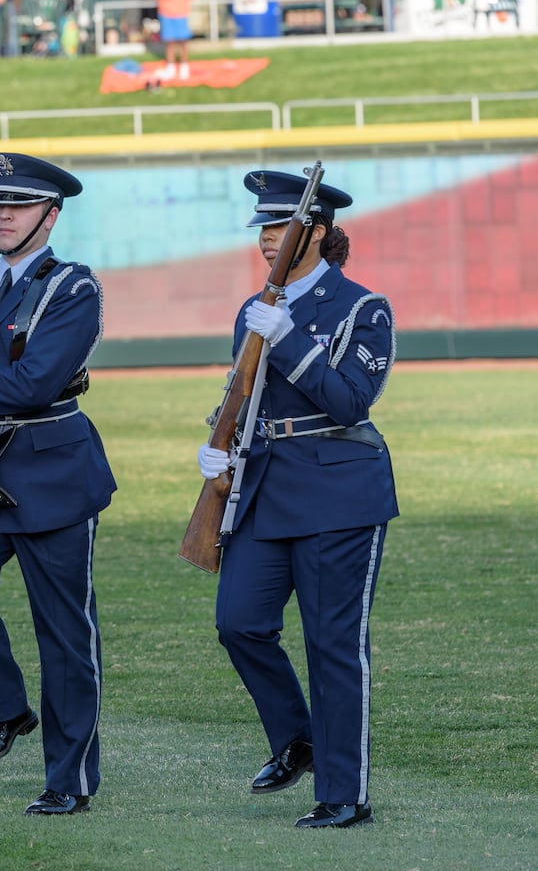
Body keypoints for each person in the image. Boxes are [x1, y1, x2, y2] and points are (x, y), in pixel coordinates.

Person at [197, 170, 397, 830]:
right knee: (239, 622)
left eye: (280, 226)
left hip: (340, 488)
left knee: (333, 643)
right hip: (265, 485)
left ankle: (345, 795)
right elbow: (244, 399)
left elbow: (349, 401)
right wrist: (219, 446)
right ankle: (298, 738)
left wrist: (287, 339)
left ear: (316, 233)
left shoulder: (363, 308)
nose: (267, 238)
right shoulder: (252, 308)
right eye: (263, 225)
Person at [0, 152, 115, 817]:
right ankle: (8, 709)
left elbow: (34, 382)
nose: (4, 216)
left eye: (18, 205)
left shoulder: (73, 289)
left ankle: (68, 779)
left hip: (52, 472)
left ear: (51, 214)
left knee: (64, 633)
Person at [151, 0, 195, 80]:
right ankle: (170, 66)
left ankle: (184, 66)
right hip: (166, 12)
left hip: (180, 12)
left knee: (183, 41)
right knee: (169, 42)